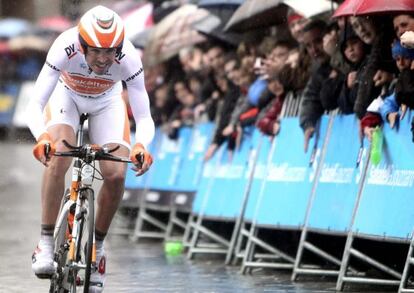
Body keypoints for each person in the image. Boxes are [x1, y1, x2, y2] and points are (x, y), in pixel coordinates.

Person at [26, 5, 154, 292]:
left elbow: (144, 116)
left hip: (107, 101)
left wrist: (141, 145)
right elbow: (34, 104)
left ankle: (97, 250)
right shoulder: (64, 45)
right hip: (66, 95)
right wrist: (42, 137)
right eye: (95, 51)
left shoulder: (130, 58)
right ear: (82, 45)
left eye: (110, 51)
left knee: (116, 174)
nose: (103, 58)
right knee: (58, 157)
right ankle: (45, 241)